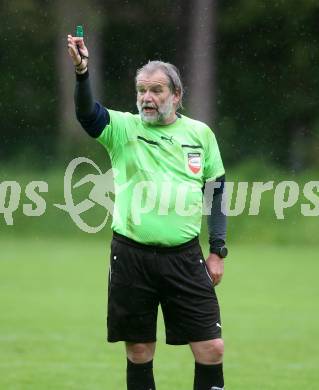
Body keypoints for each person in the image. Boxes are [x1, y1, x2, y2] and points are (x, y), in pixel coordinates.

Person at [67, 33, 228, 390]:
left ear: (177, 96)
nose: (147, 98)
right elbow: (86, 113)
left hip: (185, 258)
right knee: (139, 349)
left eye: (156, 90)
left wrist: (217, 251)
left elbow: (216, 192)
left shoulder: (200, 134)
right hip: (132, 256)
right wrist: (82, 74)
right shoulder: (123, 129)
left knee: (212, 348)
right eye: (142, 90)